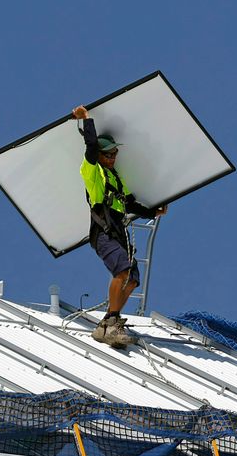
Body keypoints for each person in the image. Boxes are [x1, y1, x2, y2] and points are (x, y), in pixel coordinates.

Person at [72, 105, 167, 348]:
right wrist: (87, 119)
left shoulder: (115, 178)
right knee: (122, 272)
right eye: (108, 155)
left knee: (133, 279)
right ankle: (112, 323)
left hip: (118, 232)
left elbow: (129, 204)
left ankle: (108, 324)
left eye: (114, 153)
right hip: (103, 233)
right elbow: (91, 148)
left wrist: (152, 212)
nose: (112, 157)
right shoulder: (92, 173)